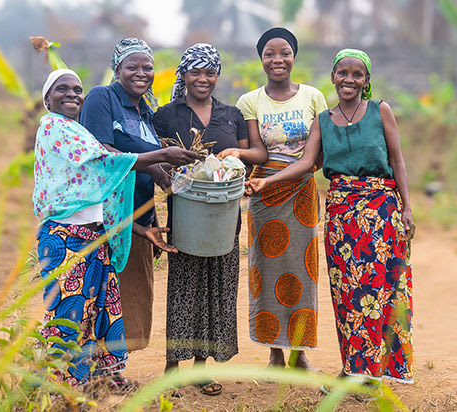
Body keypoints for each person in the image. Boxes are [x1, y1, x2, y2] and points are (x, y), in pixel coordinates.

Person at [245, 49, 415, 395]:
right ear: (333, 76)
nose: (349, 80)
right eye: (342, 73)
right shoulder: (322, 120)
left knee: (382, 290)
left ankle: (378, 371)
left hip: (381, 209)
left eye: (357, 74)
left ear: (367, 81)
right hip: (340, 214)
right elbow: (308, 163)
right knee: (346, 293)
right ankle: (353, 369)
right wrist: (267, 181)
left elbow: (397, 161)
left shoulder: (380, 110)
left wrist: (407, 209)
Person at [34, 69, 198, 388]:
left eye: (77, 89)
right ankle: (61, 388)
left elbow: (101, 186)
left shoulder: (75, 129)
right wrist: (163, 155)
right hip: (64, 237)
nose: (72, 94)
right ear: (47, 99)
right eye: (62, 89)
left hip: (94, 235)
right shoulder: (54, 127)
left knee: (96, 310)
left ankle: (96, 379)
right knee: (68, 312)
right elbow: (105, 161)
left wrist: (139, 229)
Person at [220, 27, 327, 371]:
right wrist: (238, 151)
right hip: (264, 196)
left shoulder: (313, 97)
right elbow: (259, 152)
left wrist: (284, 175)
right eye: (269, 53)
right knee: (264, 271)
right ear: (261, 58)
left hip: (301, 194)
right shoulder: (250, 101)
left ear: (294, 56)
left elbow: (315, 156)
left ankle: (299, 354)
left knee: (303, 270)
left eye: (284, 53)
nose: (277, 59)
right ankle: (274, 354)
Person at [152, 43, 249, 396]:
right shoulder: (166, 114)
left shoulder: (231, 114)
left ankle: (199, 368)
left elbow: (252, 155)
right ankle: (170, 368)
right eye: (195, 72)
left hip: (224, 218)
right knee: (183, 292)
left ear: (217, 75)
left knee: (215, 292)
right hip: (188, 220)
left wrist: (235, 156)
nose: (203, 79)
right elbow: (152, 160)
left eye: (210, 72)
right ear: (184, 74)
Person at [80, 38, 170, 353]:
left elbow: (149, 169)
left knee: (132, 299)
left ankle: (115, 371)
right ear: (117, 68)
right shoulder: (102, 98)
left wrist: (152, 219)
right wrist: (152, 166)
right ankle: (98, 374)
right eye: (132, 66)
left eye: (148, 67)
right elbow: (101, 152)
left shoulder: (145, 111)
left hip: (139, 219)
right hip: (107, 220)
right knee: (103, 298)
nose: (141, 73)